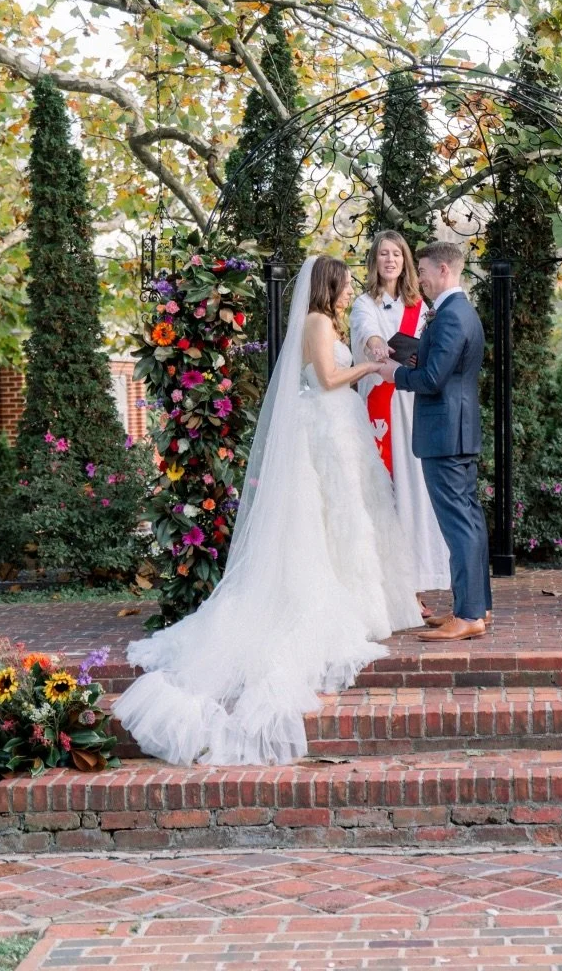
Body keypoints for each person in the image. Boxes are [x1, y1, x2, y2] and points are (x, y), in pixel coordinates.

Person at [114, 255, 421, 766]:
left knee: (345, 514)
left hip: (336, 425)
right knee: (334, 516)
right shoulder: (318, 322)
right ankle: (350, 598)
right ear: (328, 286)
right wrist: (371, 366)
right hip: (325, 425)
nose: (349, 293)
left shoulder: (324, 320)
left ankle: (364, 595)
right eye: (344, 286)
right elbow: (325, 378)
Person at [378, 241, 491, 642]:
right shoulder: (458, 312)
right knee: (470, 520)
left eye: (423, 270)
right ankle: (476, 607)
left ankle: (469, 614)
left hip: (446, 433)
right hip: (456, 430)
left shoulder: (449, 316)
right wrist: (414, 359)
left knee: (459, 524)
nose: (419, 278)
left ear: (443, 270)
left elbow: (431, 381)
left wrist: (395, 374)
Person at [350, 231, 450, 598]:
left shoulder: (421, 306)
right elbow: (368, 335)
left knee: (414, 491)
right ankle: (384, 586)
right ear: (374, 261)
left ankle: (415, 584)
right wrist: (377, 347)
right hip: (380, 400)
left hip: (412, 403)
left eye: (396, 254)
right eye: (383, 254)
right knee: (383, 490)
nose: (390, 260)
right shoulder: (364, 302)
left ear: (406, 261)